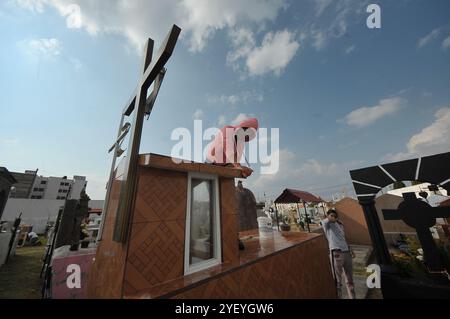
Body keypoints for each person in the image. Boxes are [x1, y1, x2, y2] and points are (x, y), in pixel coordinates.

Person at [321, 209, 356, 299]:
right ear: (328, 216)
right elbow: (325, 221)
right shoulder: (327, 224)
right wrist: (330, 217)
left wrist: (349, 248)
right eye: (331, 215)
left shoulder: (340, 225)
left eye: (335, 216)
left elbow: (343, 238)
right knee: (337, 282)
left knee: (350, 280)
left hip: (346, 253)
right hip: (336, 253)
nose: (333, 217)